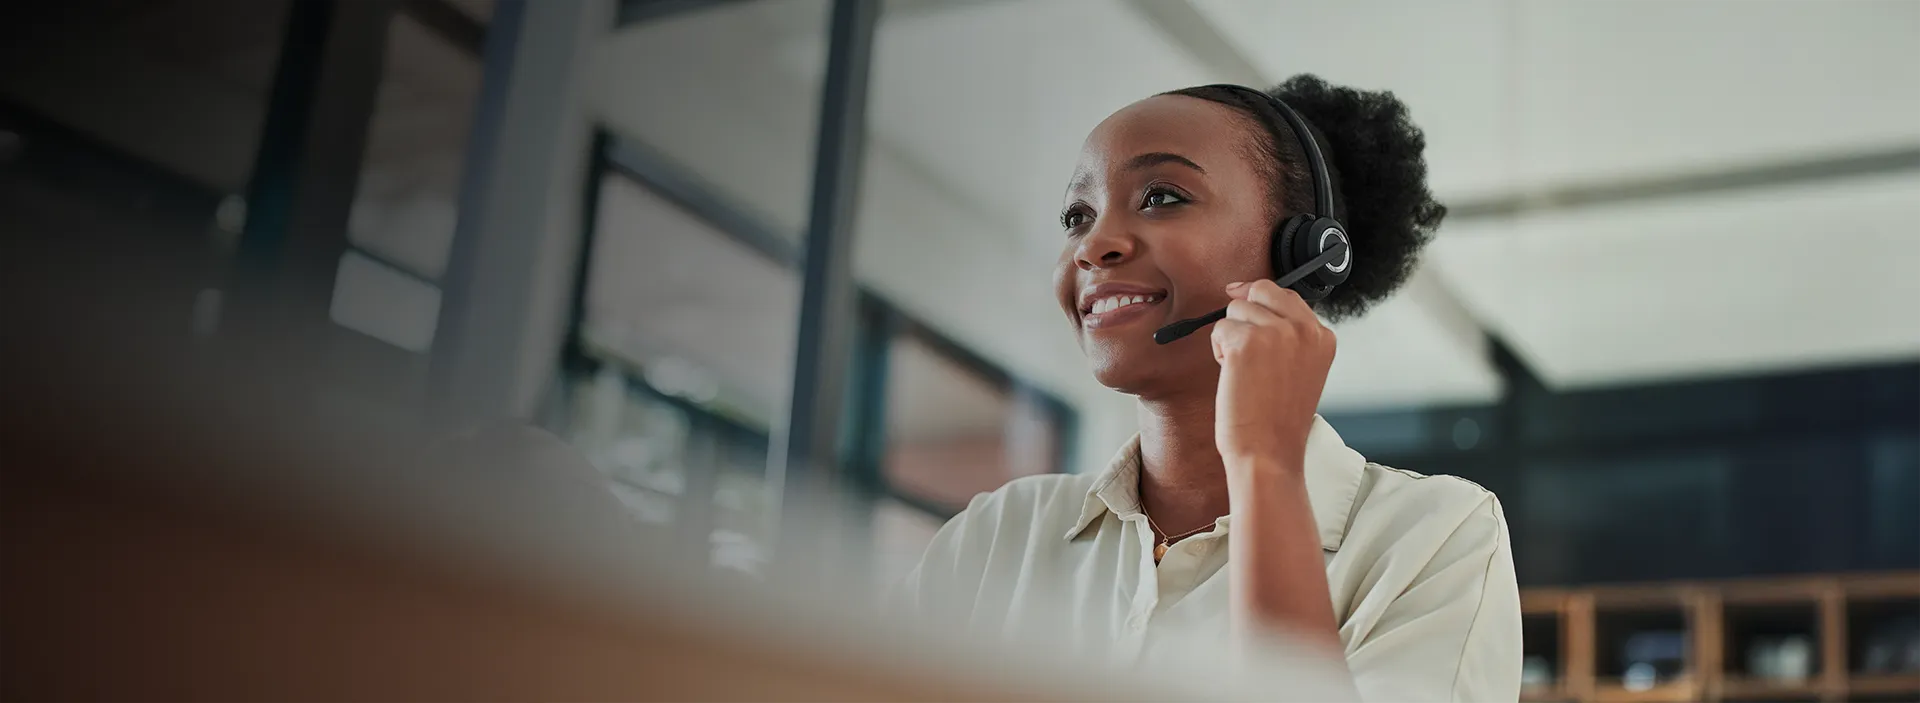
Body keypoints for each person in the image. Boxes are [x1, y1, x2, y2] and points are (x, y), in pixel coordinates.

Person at [896, 75, 1520, 702]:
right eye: (1076, 216)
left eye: (1162, 197)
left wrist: (1266, 468)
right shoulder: (998, 535)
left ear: (1303, 252)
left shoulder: (1434, 538)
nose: (1095, 244)